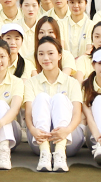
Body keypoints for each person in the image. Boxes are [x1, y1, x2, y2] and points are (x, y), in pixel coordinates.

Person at [25, 37, 84, 172]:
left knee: (59, 98)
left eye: (50, 53)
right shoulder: (31, 83)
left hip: (69, 139)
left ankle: (60, 153)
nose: (46, 58)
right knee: (41, 97)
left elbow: (77, 114)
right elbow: (28, 113)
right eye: (41, 54)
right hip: (39, 140)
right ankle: (45, 154)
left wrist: (66, 131)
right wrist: (33, 130)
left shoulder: (72, 82)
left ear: (59, 55)